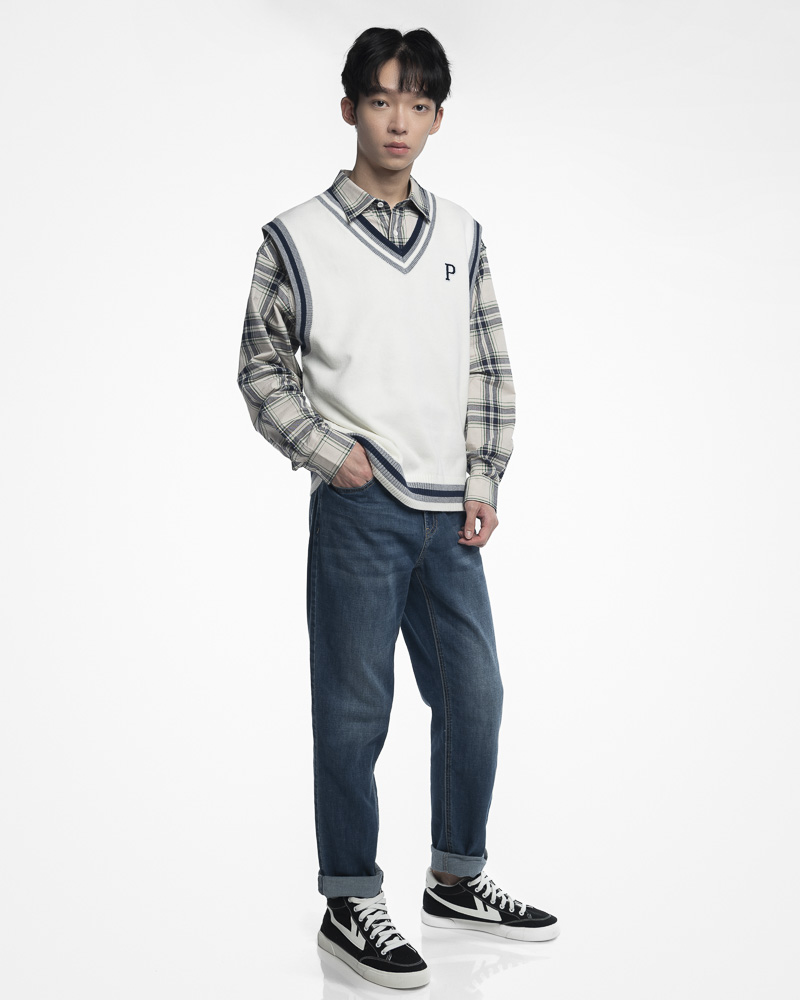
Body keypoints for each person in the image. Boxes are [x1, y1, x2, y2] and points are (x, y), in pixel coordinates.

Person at [237, 26, 559, 990]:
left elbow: (488, 361)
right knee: (353, 708)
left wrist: (485, 476)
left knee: (475, 695)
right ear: (349, 108)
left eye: (418, 105)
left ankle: (456, 879)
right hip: (362, 502)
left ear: (438, 118)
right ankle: (349, 899)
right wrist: (330, 456)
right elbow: (261, 367)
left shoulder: (461, 232)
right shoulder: (294, 237)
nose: (399, 122)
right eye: (381, 100)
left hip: (450, 508)